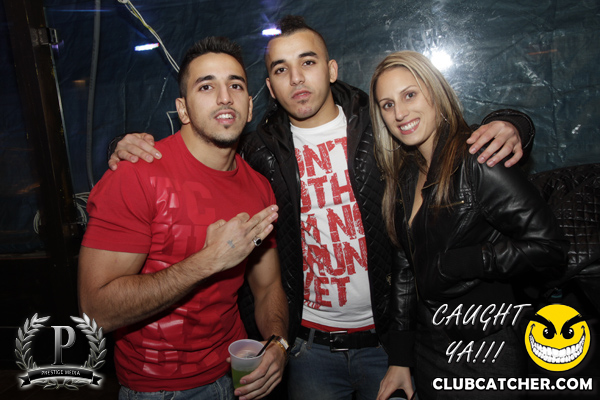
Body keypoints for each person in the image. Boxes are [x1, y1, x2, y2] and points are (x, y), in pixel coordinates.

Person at [108, 16, 535, 400]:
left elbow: (444, 134)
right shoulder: (259, 151)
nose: (296, 78)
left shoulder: (380, 126)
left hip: (388, 341)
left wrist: (513, 123)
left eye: (308, 62)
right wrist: (124, 146)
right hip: (308, 350)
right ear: (269, 89)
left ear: (331, 70)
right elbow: (201, 149)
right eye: (281, 69)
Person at [78, 36, 288, 400]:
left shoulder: (258, 188)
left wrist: (277, 342)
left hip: (235, 376)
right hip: (158, 390)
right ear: (183, 109)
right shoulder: (137, 174)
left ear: (250, 105)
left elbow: (267, 287)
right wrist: (208, 261)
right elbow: (96, 312)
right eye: (206, 86)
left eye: (235, 85)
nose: (224, 97)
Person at [369, 51, 568, 400]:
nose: (399, 113)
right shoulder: (405, 174)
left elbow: (550, 249)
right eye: (387, 104)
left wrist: (462, 262)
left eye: (410, 94)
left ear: (435, 93)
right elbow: (405, 267)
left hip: (486, 347)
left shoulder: (478, 160)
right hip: (429, 348)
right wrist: (400, 357)